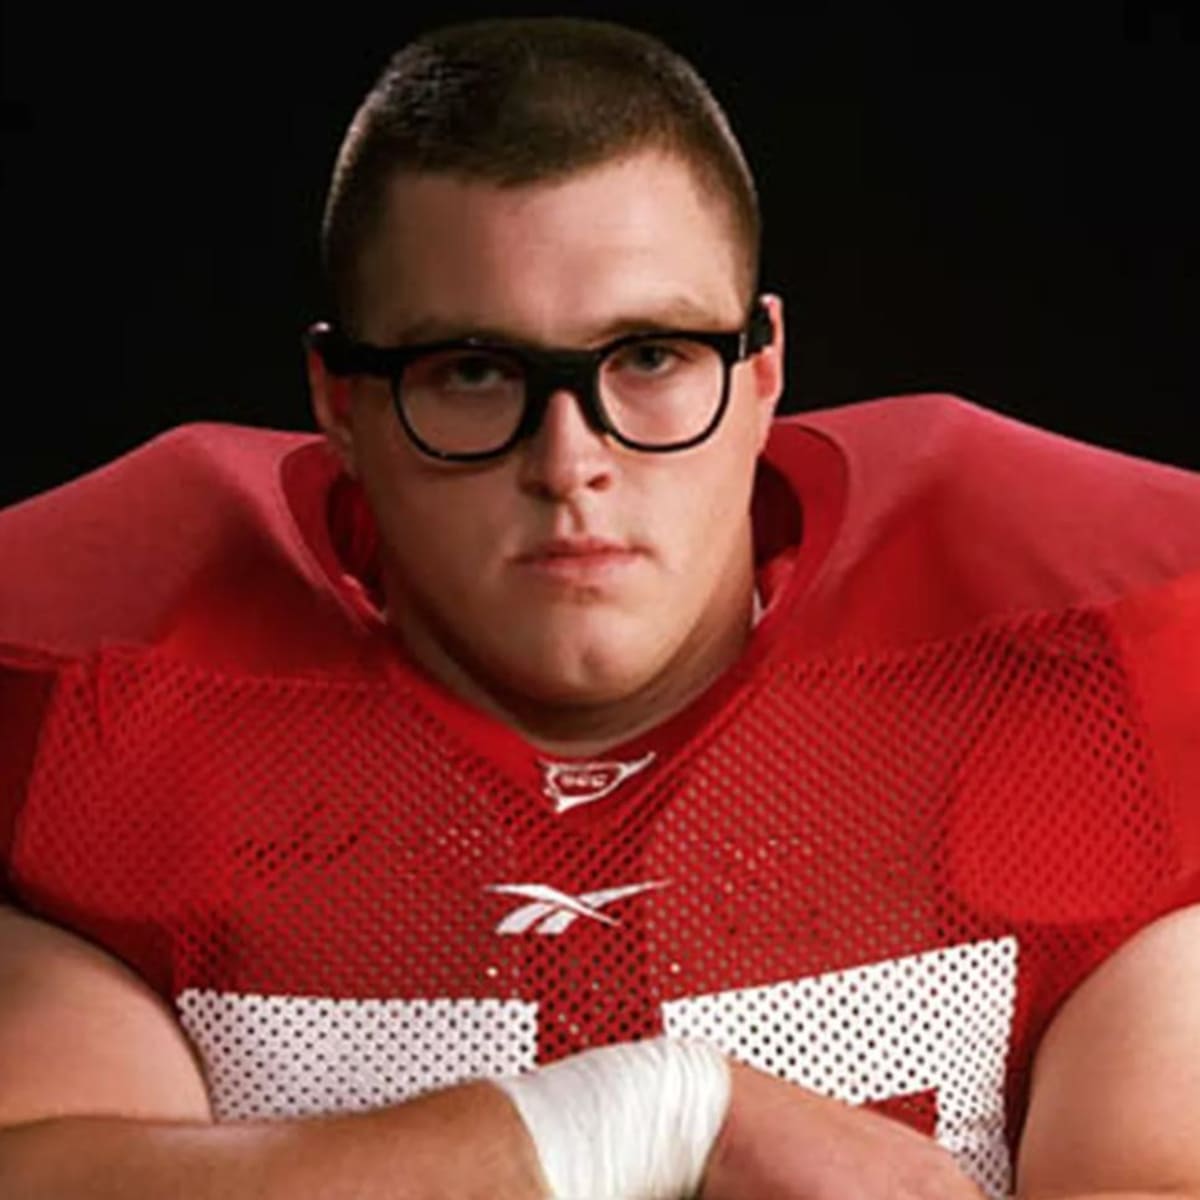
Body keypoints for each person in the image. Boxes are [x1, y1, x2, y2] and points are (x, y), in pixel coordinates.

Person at [1, 16, 1198, 1199]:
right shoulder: (109, 705)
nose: (570, 463)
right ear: (341, 402)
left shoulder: (1063, 666)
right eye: (475, 372)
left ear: (762, 368)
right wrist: (654, 1121)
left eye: (651, 356)